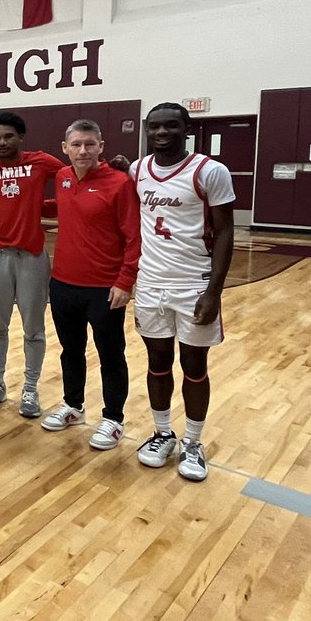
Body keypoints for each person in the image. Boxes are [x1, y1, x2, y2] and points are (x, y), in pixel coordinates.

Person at [130, 103, 235, 482]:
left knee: (194, 365)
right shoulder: (137, 170)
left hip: (193, 284)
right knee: (157, 361)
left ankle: (193, 441)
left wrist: (214, 291)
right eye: (154, 127)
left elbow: (225, 232)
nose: (161, 133)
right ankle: (162, 433)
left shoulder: (210, 171)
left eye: (171, 126)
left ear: (186, 128)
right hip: (151, 283)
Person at [41, 119, 141, 451]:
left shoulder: (120, 183)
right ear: (64, 148)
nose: (83, 150)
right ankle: (73, 406)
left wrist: (125, 282)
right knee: (71, 351)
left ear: (101, 146)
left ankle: (113, 419)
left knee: (111, 355)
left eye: (89, 144)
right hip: (63, 284)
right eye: (76, 145)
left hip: (105, 289)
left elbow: (134, 237)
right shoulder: (63, 177)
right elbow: (68, 209)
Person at [0, 112, 65, 418]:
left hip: (31, 256)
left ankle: (30, 388)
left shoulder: (40, 162)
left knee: (33, 328)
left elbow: (74, 176)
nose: (2, 142)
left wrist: (49, 206)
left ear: (21, 138)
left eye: (8, 136)